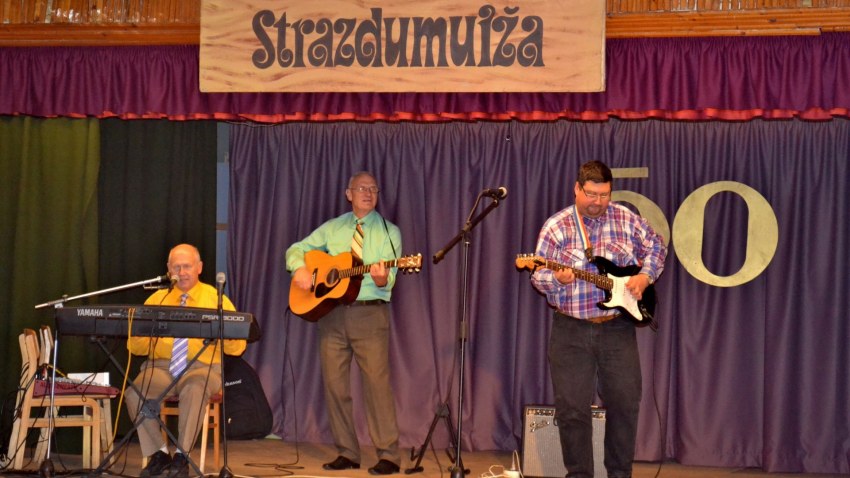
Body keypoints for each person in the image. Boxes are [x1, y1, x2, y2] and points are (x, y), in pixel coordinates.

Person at [530, 160, 667, 478]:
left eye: (604, 195)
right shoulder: (556, 226)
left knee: (625, 404)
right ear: (577, 189)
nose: (597, 202)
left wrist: (645, 276)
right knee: (572, 410)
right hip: (570, 330)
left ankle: (619, 474)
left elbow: (656, 246)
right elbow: (538, 274)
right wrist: (556, 279)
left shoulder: (626, 218)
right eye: (591, 194)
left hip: (616, 329)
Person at [286, 171, 402, 475]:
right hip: (332, 315)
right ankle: (347, 452)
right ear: (348, 194)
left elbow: (389, 278)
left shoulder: (390, 232)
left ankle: (389, 456)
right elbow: (296, 249)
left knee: (377, 386)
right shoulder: (333, 227)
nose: (368, 193)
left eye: (373, 189)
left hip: (370, 315)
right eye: (362, 188)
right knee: (335, 386)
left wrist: (382, 277)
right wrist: (299, 269)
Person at [126, 244, 247, 478]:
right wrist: (150, 335)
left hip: (203, 368)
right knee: (134, 394)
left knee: (194, 388)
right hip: (161, 367)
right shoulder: (157, 299)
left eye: (187, 266)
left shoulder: (216, 299)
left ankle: (182, 456)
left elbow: (238, 347)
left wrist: (220, 335)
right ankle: (159, 454)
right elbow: (135, 346)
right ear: (168, 269)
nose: (181, 273)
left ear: (199, 268)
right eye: (176, 267)